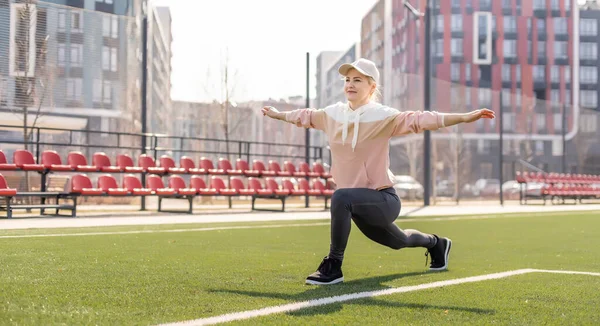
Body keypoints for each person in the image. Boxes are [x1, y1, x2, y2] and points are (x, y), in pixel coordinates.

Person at [261, 58, 495, 285]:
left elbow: (422, 119)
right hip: (355, 203)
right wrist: (276, 113)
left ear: (372, 87)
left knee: (340, 196)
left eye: (358, 80)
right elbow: (304, 116)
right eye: (348, 80)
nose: (350, 84)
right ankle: (436, 244)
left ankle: (333, 265)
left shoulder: (384, 116)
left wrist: (464, 117)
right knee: (399, 241)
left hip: (383, 199)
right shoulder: (332, 114)